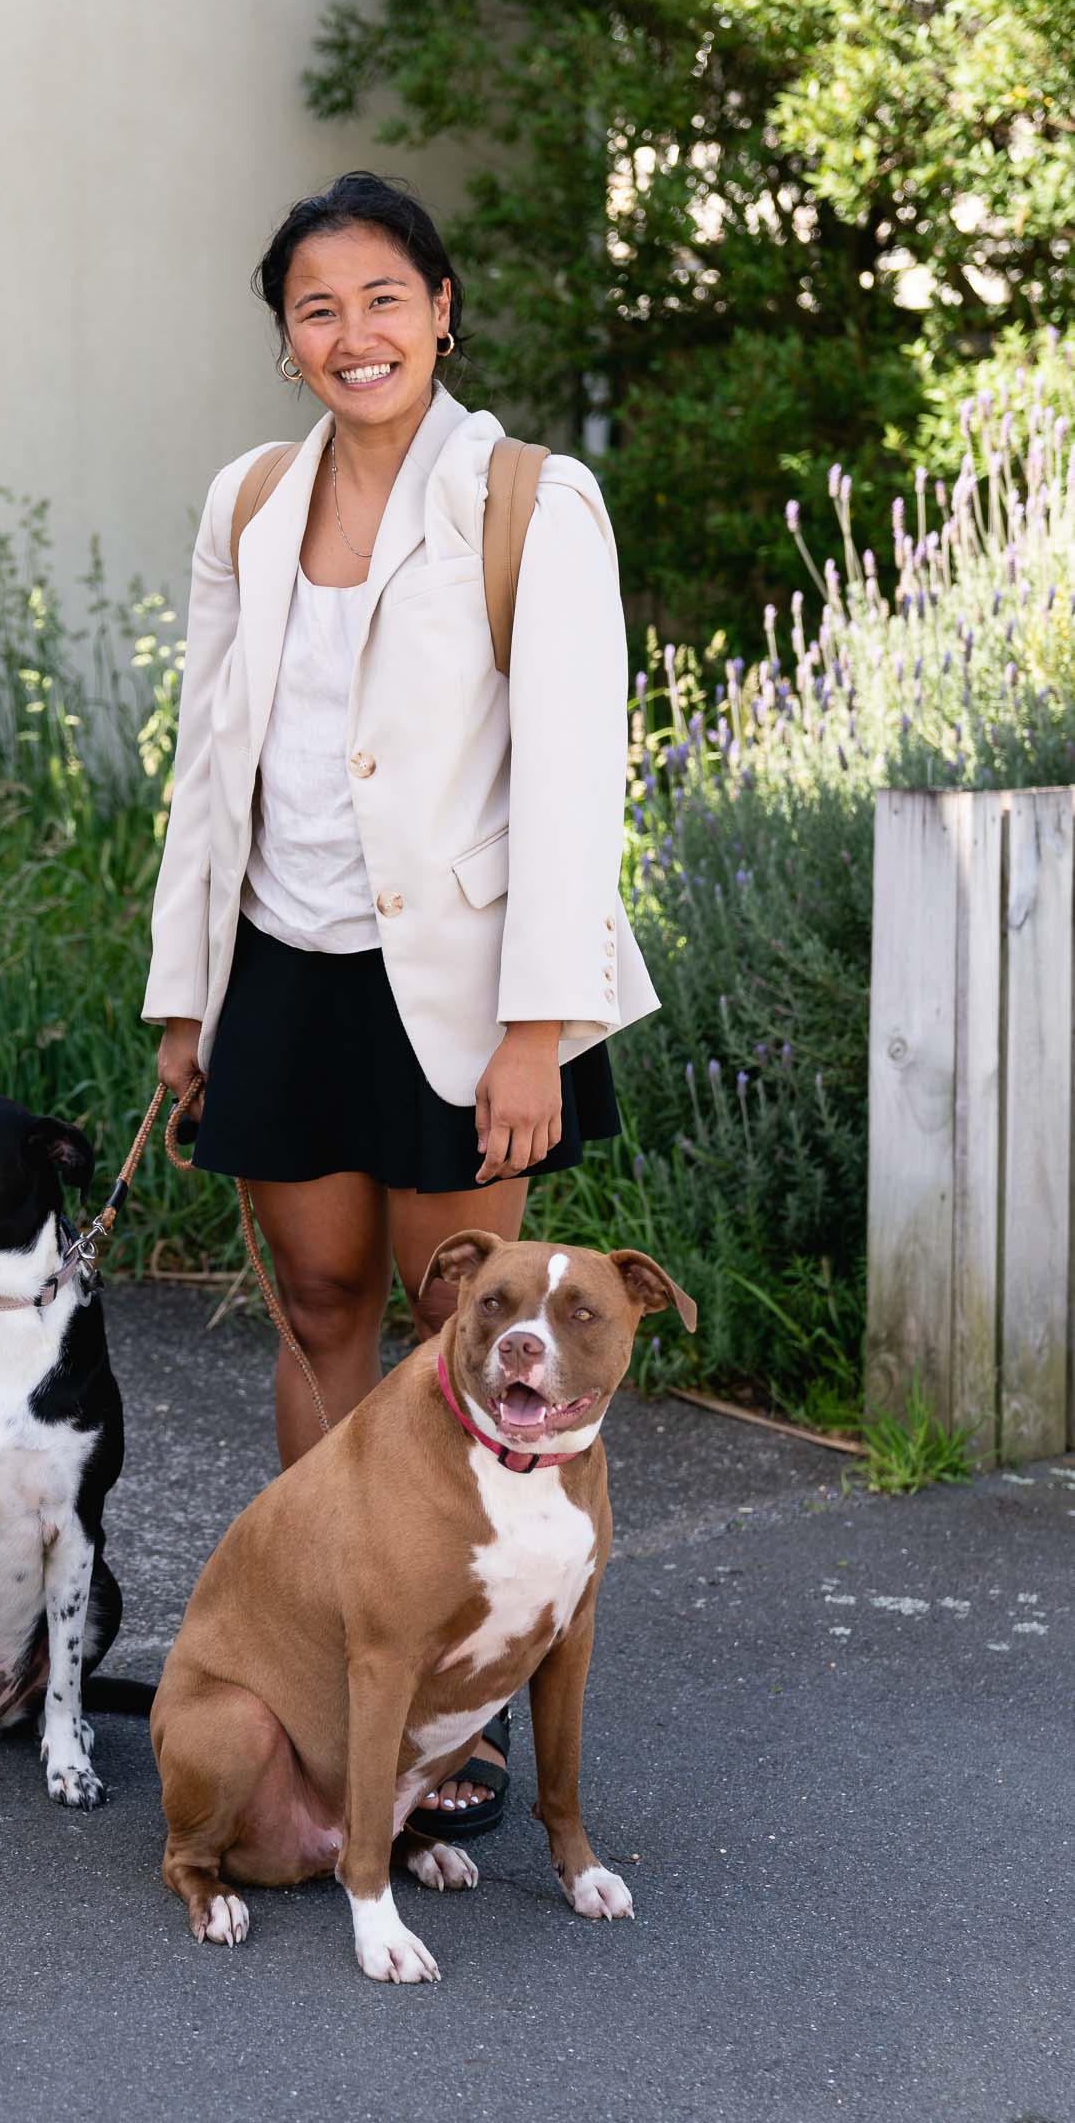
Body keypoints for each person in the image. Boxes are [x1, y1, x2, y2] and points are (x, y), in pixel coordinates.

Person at [141, 170, 656, 1841]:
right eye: (316, 308)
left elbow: (580, 784)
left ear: (442, 310)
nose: (353, 333)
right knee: (317, 1309)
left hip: (465, 991)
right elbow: (207, 769)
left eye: (382, 298)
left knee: (473, 1338)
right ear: (287, 343)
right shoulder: (244, 506)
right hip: (278, 968)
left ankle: (469, 1708)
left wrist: (539, 1030)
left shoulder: (528, 500)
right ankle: (329, 1669)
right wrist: (186, 995)